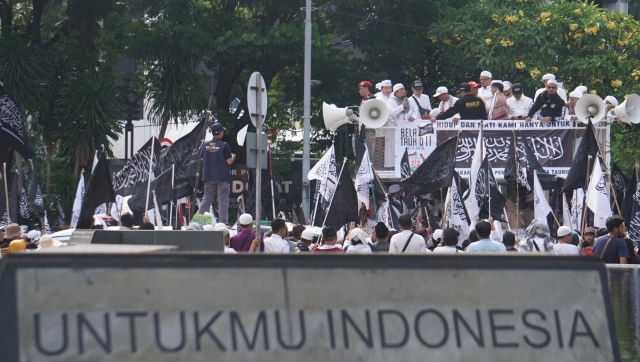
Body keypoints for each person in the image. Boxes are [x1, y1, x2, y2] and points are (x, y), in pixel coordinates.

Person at [197, 122, 235, 226]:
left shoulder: (205, 145)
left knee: (206, 199)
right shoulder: (224, 145)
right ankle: (223, 223)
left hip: (208, 176)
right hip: (222, 177)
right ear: (221, 132)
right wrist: (233, 157)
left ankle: (199, 223)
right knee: (222, 200)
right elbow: (229, 162)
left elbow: (201, 158)